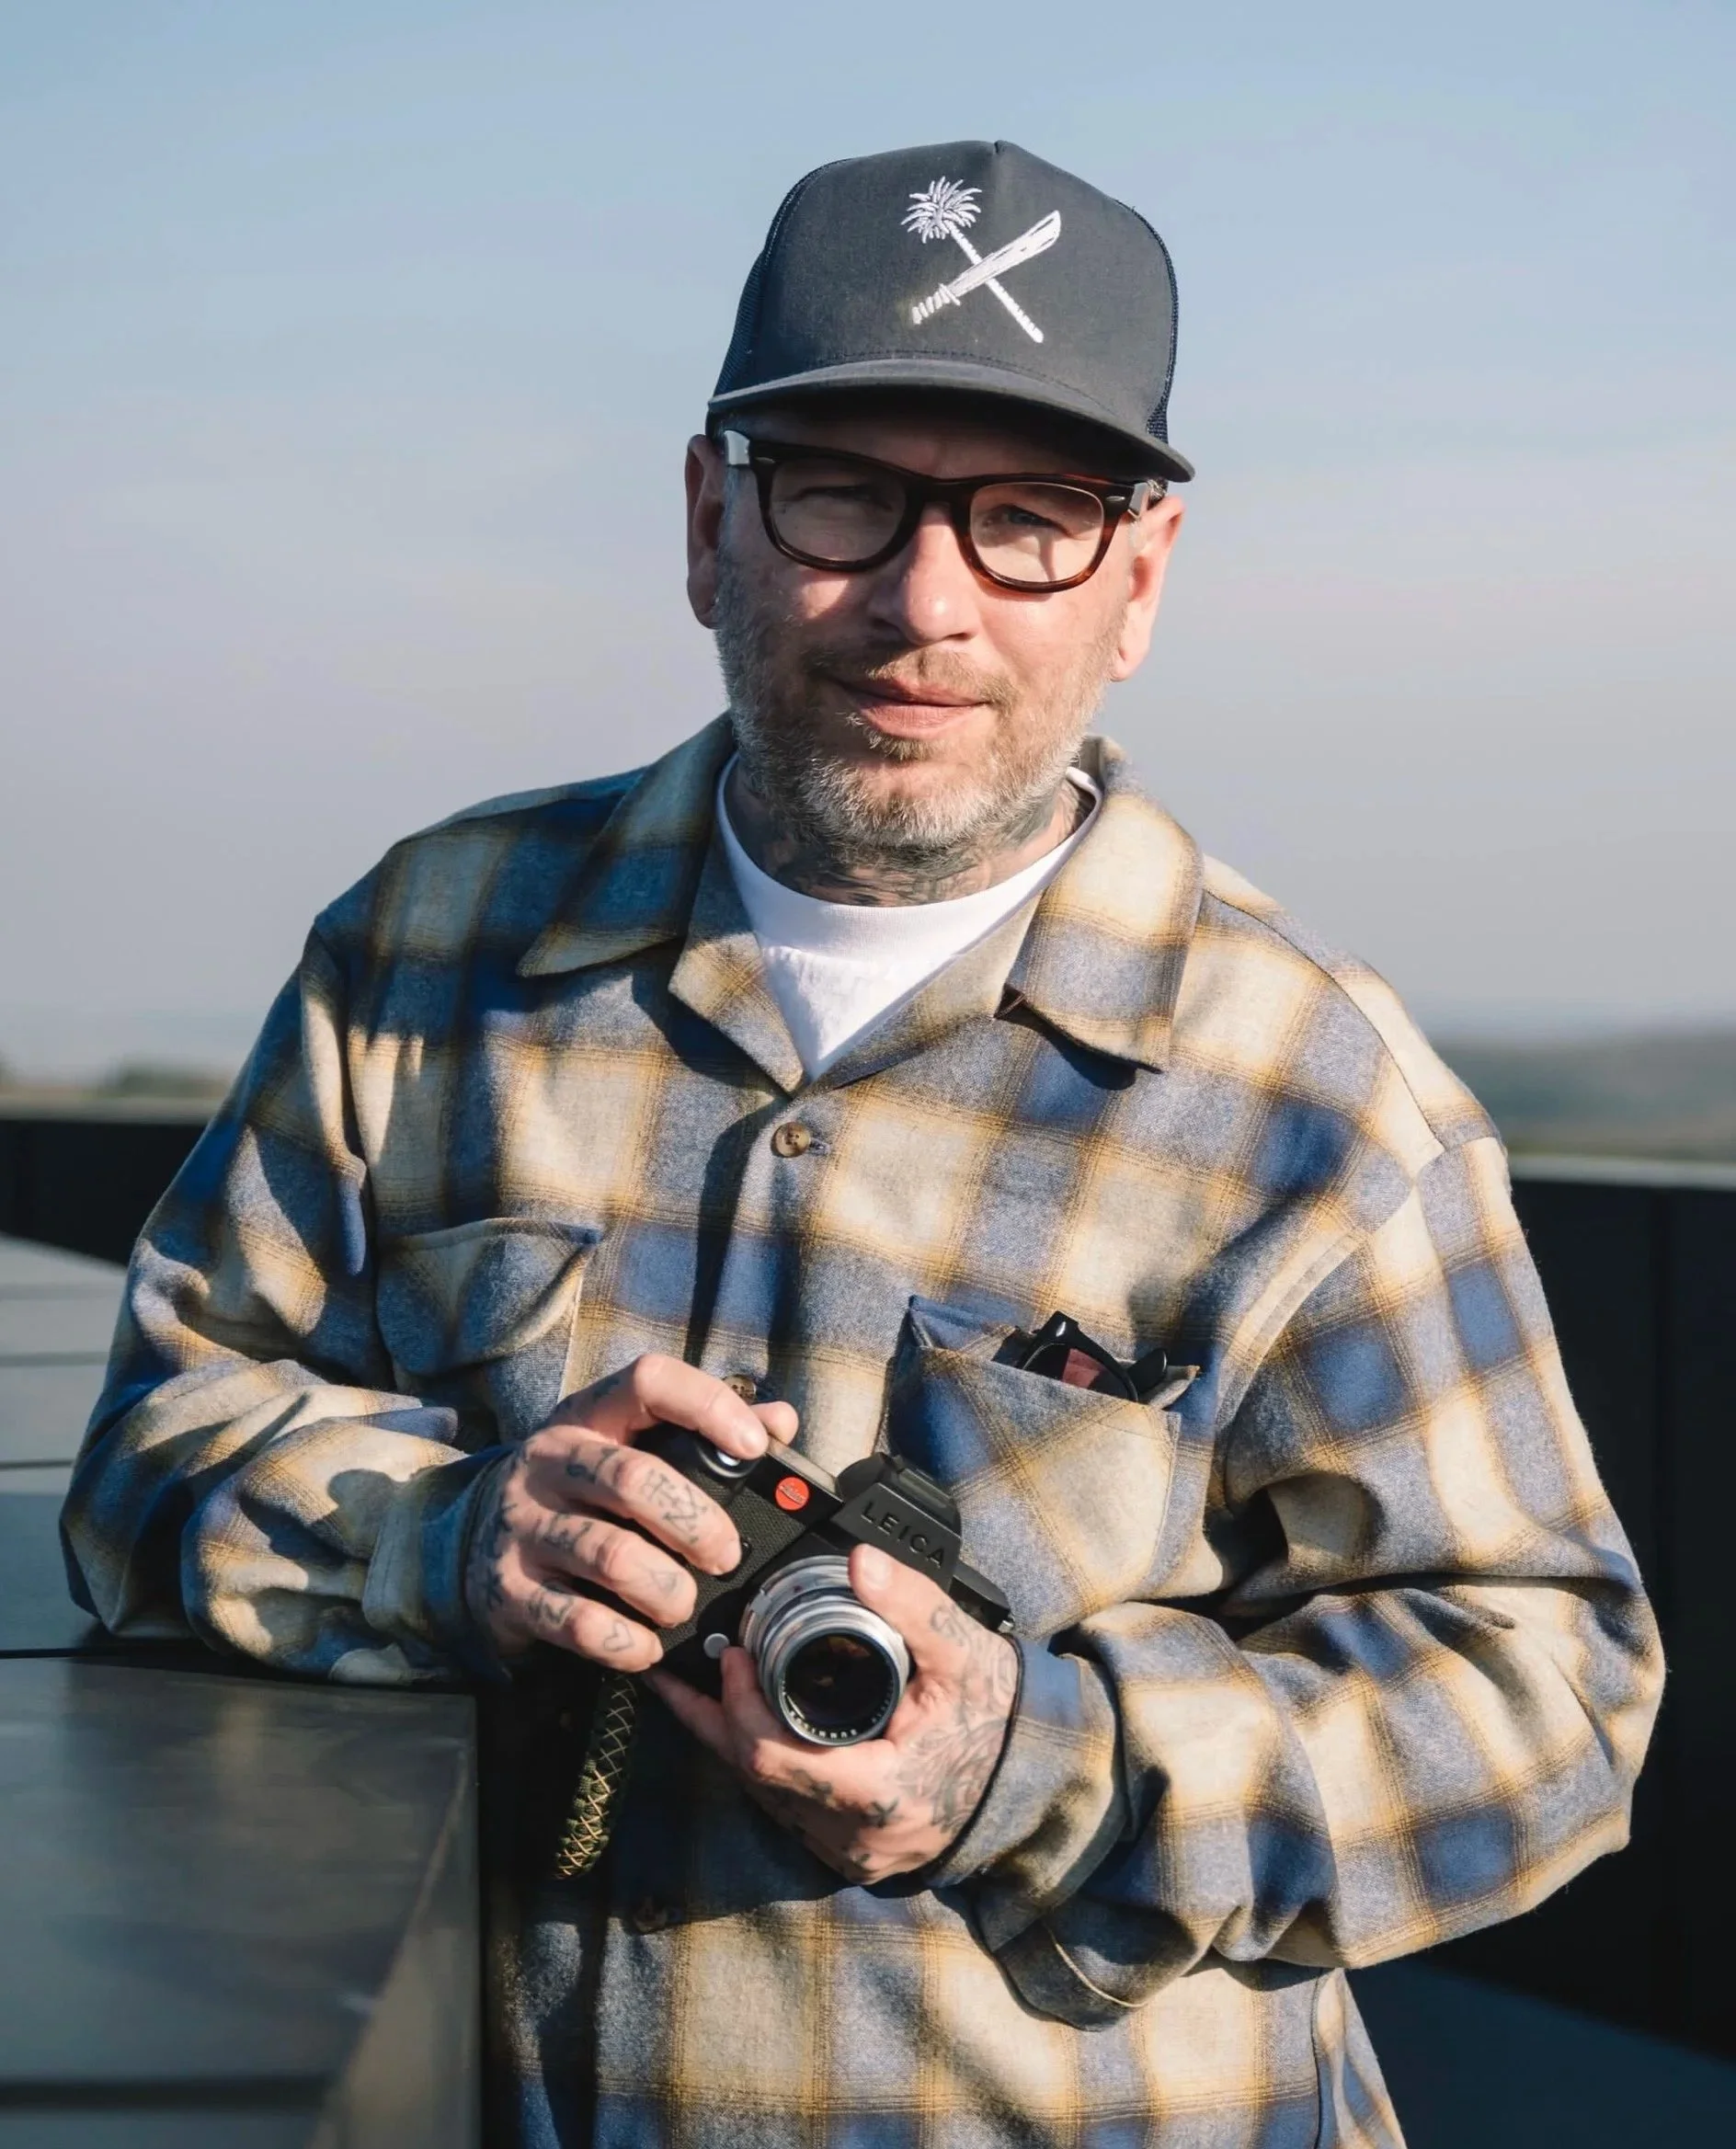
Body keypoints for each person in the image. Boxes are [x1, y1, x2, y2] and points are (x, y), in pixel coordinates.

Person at [63, 139, 1662, 2148]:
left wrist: (1029, 1758)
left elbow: (1550, 1700)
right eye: (841, 494)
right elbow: (149, 1452)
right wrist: (451, 1542)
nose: (923, 603)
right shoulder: (423, 957)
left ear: (1139, 580)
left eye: (1027, 521)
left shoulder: (1317, 1103)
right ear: (704, 522)